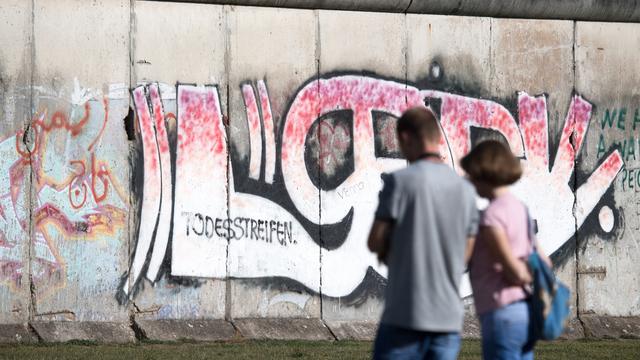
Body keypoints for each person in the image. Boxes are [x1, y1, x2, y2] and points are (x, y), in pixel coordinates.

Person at [368, 107, 479, 360]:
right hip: (447, 319)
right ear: (438, 136)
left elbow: (374, 241)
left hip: (405, 315)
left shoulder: (399, 183)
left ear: (406, 138)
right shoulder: (465, 190)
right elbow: (465, 255)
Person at [460, 140, 551, 360]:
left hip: (502, 314)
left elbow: (515, 272)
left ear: (485, 173)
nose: (470, 181)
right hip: (526, 313)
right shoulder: (521, 209)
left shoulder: (491, 216)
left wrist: (522, 273)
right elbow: (545, 263)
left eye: (472, 175)